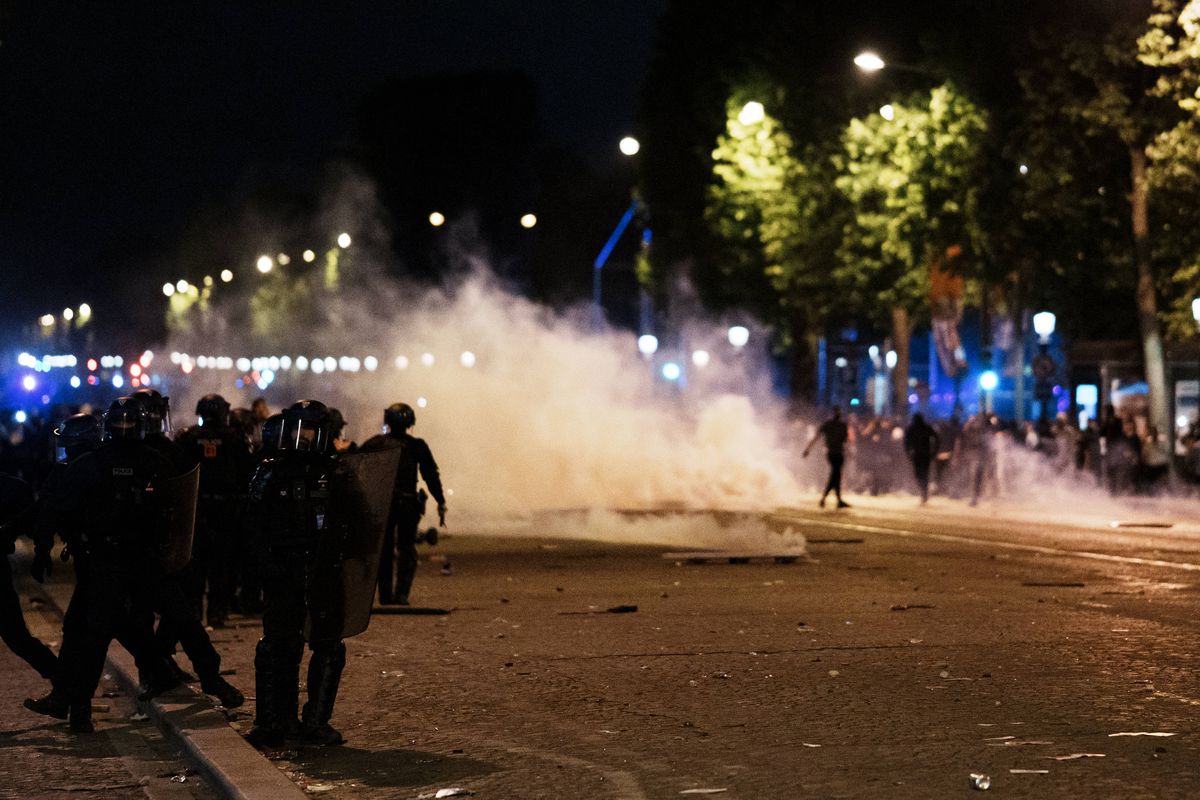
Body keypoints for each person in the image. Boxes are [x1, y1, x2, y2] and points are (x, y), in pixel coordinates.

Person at [25, 399, 179, 733]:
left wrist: (46, 546)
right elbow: (175, 513)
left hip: (105, 562)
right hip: (137, 563)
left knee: (95, 634)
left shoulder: (93, 465)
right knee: (97, 627)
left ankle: (76, 707)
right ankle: (72, 699)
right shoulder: (156, 462)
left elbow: (60, 507)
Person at [243, 400, 345, 747]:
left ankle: (315, 721)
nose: (305, 438)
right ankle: (273, 722)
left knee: (329, 645)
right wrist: (264, 567)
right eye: (299, 429)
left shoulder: (335, 473)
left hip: (322, 570)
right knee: (278, 647)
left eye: (312, 430)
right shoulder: (270, 471)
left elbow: (358, 522)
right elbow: (251, 526)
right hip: (283, 568)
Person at [174, 394, 252, 627]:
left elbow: (178, 470)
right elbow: (247, 471)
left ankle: (195, 610)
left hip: (197, 510)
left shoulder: (188, 438)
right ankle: (217, 612)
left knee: (196, 563)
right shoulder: (235, 438)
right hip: (224, 510)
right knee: (221, 563)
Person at [361, 403, 447, 605]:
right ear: (411, 422)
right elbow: (431, 476)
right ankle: (401, 595)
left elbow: (357, 466)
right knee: (406, 549)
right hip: (407, 503)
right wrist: (440, 500)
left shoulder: (376, 444)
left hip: (384, 504)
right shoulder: (417, 446)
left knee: (384, 550)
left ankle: (386, 596)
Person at [0, 471, 58, 680]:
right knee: (17, 637)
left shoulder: (10, 488)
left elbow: (33, 520)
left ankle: (63, 682)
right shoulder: (12, 487)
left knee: (17, 637)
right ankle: (64, 683)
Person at [802, 408, 851, 509]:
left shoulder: (836, 425)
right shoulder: (836, 425)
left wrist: (808, 449)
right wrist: (807, 449)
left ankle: (834, 499)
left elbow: (817, 437)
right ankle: (828, 499)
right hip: (834, 453)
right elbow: (817, 437)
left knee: (836, 476)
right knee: (835, 475)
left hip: (836, 453)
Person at [903, 414, 940, 504]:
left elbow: (906, 443)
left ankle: (924, 493)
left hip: (921, 455)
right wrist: (934, 453)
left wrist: (908, 453)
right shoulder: (922, 428)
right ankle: (924, 492)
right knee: (921, 475)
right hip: (922, 455)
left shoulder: (915, 428)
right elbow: (906, 442)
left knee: (921, 475)